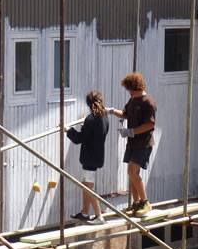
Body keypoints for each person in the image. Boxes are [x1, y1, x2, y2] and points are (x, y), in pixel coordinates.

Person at [107, 72, 157, 217]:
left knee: (133, 172)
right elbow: (125, 114)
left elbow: (150, 124)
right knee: (131, 174)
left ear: (134, 88)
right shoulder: (133, 100)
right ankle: (136, 204)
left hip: (143, 143)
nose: (128, 92)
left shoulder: (148, 102)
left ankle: (145, 202)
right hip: (133, 143)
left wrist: (132, 131)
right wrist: (110, 111)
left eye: (129, 89)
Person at [67, 90, 110, 222]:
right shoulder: (104, 117)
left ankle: (98, 216)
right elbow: (92, 135)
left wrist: (68, 130)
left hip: (89, 157)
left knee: (87, 186)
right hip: (97, 156)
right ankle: (85, 212)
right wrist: (84, 127)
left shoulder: (91, 119)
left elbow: (79, 139)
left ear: (88, 104)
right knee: (86, 183)